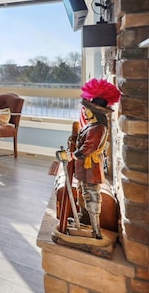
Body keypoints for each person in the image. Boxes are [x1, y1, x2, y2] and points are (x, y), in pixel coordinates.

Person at [72, 78, 121, 239]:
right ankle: (84, 219)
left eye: (87, 109)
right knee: (82, 191)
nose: (84, 112)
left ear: (96, 112)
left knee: (91, 194)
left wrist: (73, 155)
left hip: (90, 167)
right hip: (83, 168)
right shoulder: (92, 126)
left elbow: (87, 148)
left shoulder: (98, 128)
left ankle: (96, 229)